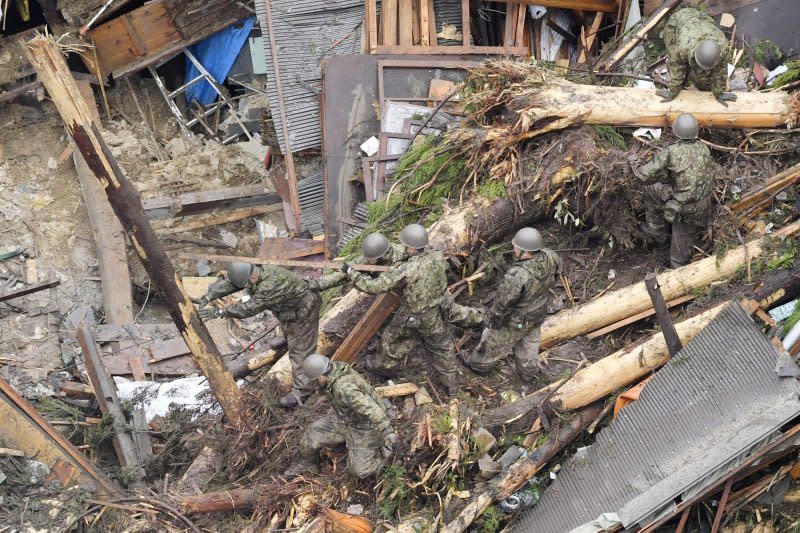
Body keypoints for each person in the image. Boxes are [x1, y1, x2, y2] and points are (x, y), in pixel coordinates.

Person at [196, 262, 342, 408]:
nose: (245, 288)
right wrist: (209, 296)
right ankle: (287, 338)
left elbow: (249, 308)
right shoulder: (253, 272)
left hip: (304, 307)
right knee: (286, 320)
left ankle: (303, 391)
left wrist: (220, 312)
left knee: (300, 350)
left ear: (252, 277)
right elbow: (232, 284)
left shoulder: (270, 286)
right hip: (287, 307)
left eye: (246, 285)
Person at [345, 223, 460, 396]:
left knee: (390, 339)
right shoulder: (437, 257)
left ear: (413, 249)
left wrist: (351, 273)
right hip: (435, 311)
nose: (404, 248)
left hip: (413, 315)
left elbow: (374, 287)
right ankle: (452, 386)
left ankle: (380, 367)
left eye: (407, 246)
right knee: (442, 346)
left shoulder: (406, 269)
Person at [461, 227, 561, 382]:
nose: (513, 249)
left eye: (516, 247)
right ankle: (528, 374)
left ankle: (478, 365)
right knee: (529, 344)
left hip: (517, 320)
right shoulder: (550, 256)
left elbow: (503, 301)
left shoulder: (518, 275)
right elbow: (557, 274)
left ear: (524, 251)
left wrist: (492, 319)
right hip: (538, 312)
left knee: (494, 341)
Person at [284, 354, 397, 479]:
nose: (315, 382)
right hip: (346, 418)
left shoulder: (344, 388)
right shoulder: (336, 370)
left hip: (365, 426)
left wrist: (387, 431)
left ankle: (385, 456)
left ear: (322, 376)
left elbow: (370, 408)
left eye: (316, 379)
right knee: (314, 431)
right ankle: (308, 463)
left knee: (360, 471)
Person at [633, 113, 717, 267]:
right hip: (704, 205)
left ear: (676, 131)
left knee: (650, 187)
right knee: (683, 241)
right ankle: (678, 261)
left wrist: (634, 163)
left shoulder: (671, 152)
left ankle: (657, 232)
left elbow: (643, 176)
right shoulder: (704, 148)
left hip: (683, 208)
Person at [655, 6, 736, 106]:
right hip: (677, 22)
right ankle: (682, 83)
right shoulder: (684, 47)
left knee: (701, 77)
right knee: (674, 56)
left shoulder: (722, 47)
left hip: (701, 19)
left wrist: (719, 92)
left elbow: (721, 70)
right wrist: (673, 91)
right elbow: (677, 67)